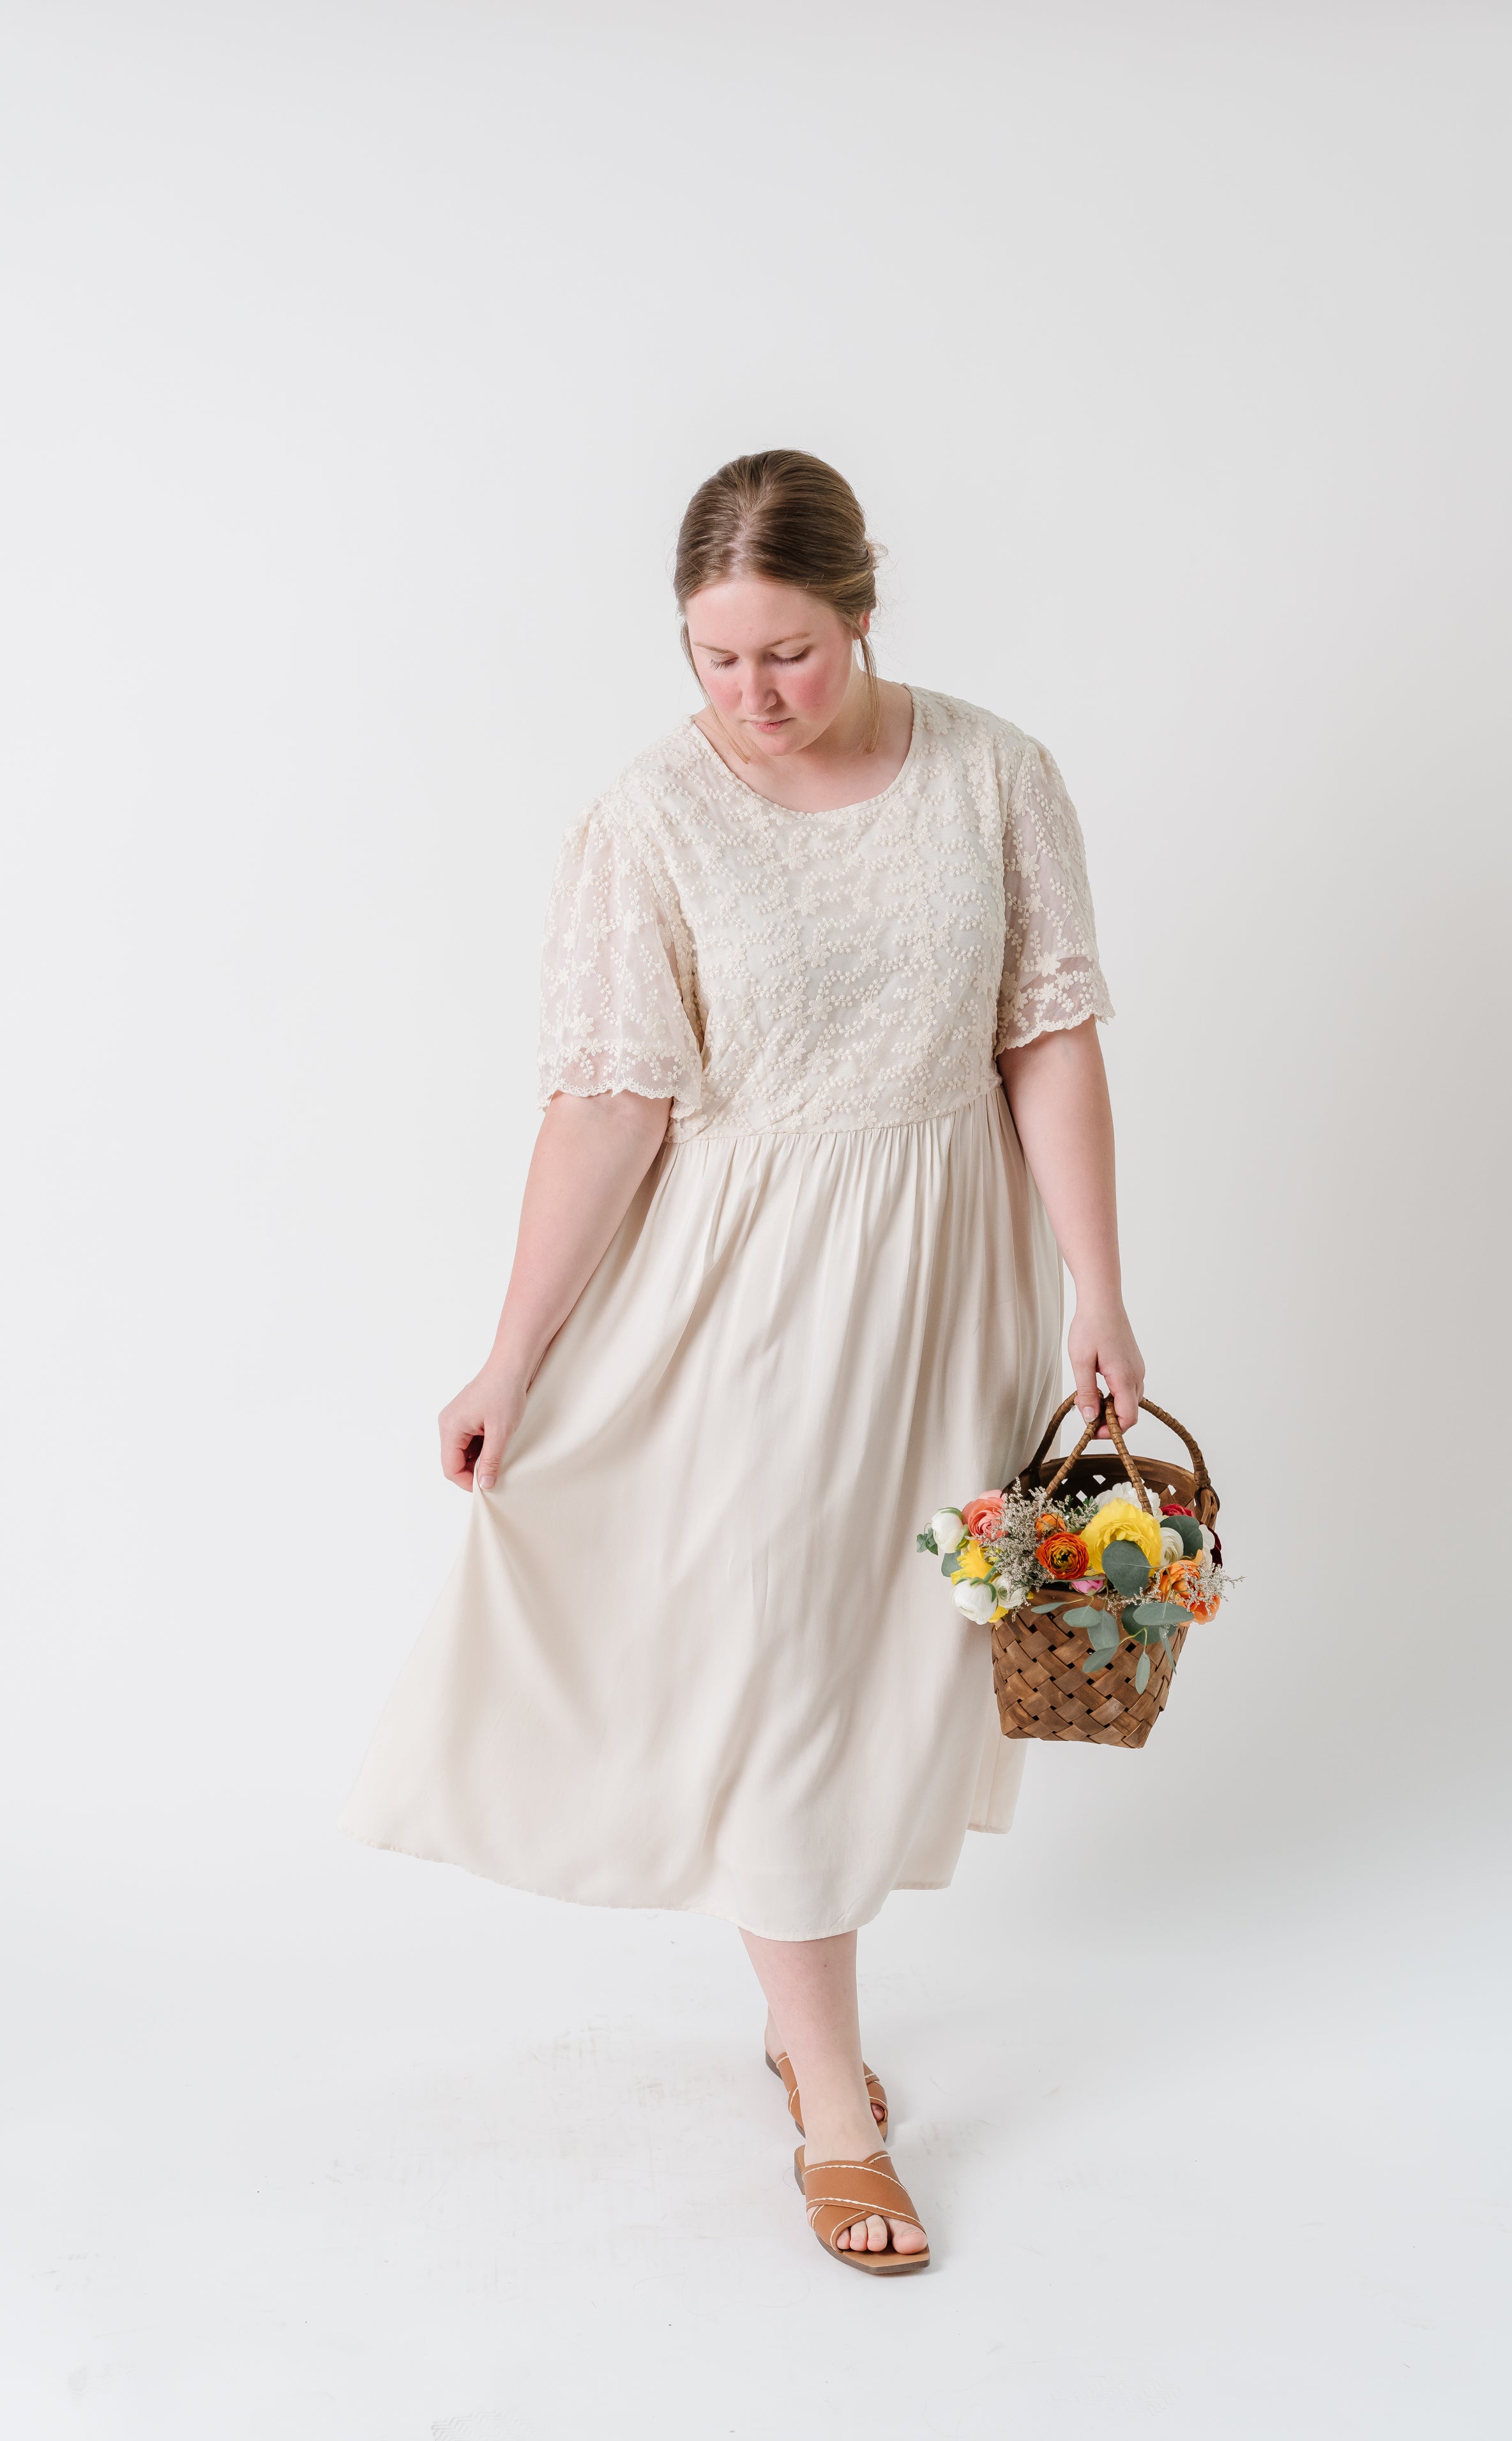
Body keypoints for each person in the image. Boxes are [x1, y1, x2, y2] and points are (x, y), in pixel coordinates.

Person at [340, 449, 1143, 2275]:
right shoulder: (650, 816)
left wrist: (1097, 1290)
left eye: (790, 653)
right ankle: (835, 2096)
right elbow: (608, 1102)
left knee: (892, 1661)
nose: (752, 697)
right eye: (715, 659)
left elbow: (1047, 1038)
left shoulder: (996, 773)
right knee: (788, 1665)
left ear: (862, 614)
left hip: (947, 1275)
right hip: (743, 1292)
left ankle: (801, 2024)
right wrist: (510, 1355)